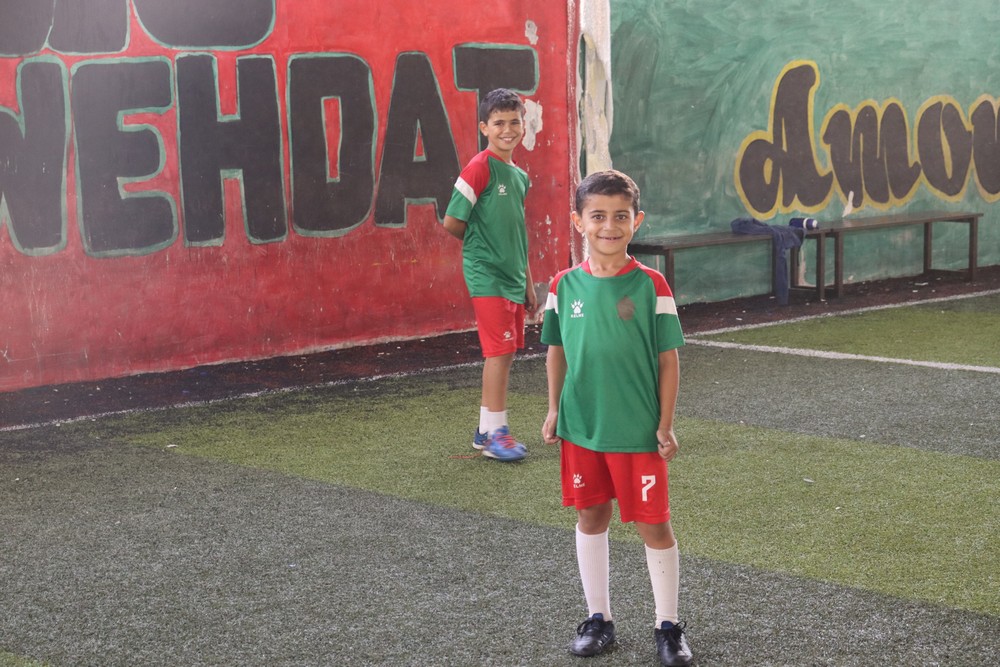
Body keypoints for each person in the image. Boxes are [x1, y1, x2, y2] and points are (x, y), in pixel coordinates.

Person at [541, 170, 694, 666]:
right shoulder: (563, 285)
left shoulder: (652, 285)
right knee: (591, 516)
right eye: (598, 216)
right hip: (582, 426)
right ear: (578, 221)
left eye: (620, 216)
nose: (609, 226)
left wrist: (665, 423)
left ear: (637, 221)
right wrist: (554, 408)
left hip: (636, 429)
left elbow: (668, 360)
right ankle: (598, 619)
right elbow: (557, 351)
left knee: (654, 525)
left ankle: (668, 626)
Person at [442, 88, 537, 462]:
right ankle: (498, 435)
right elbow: (452, 221)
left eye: (514, 122)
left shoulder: (520, 176)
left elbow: (517, 232)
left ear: (523, 126)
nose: (508, 129)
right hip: (487, 275)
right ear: (484, 127)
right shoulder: (479, 168)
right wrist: (482, 249)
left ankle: (485, 430)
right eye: (499, 123)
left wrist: (528, 281)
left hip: (513, 278)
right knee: (498, 353)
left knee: (507, 352)